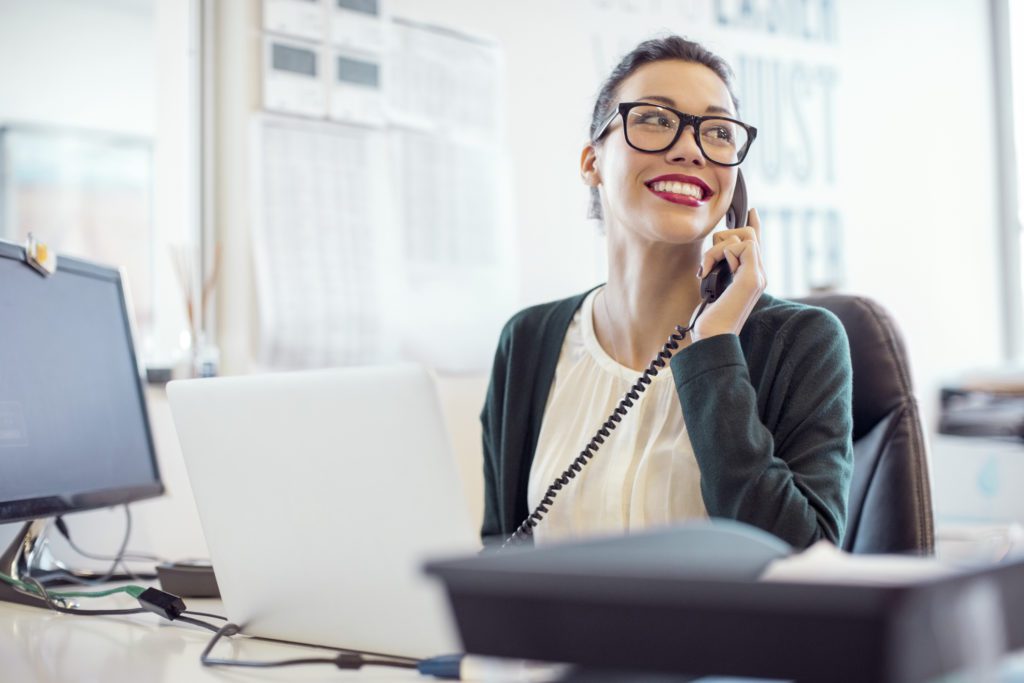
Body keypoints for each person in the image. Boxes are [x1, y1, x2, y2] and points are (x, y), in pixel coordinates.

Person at [480, 35, 853, 550]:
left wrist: (715, 348)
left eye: (718, 132)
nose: (690, 148)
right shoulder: (528, 341)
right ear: (592, 162)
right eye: (655, 119)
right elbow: (499, 558)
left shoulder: (801, 343)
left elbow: (804, 562)